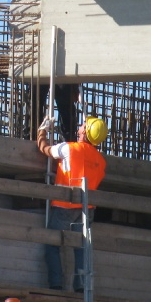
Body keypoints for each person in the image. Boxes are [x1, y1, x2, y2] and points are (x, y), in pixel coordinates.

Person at [36, 115, 108, 292]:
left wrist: (42, 131)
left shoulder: (69, 149)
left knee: (52, 244)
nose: (80, 127)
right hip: (86, 210)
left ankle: (56, 284)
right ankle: (80, 286)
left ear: (86, 132)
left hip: (64, 206)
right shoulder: (100, 161)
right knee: (81, 247)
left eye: (83, 125)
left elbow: (44, 149)